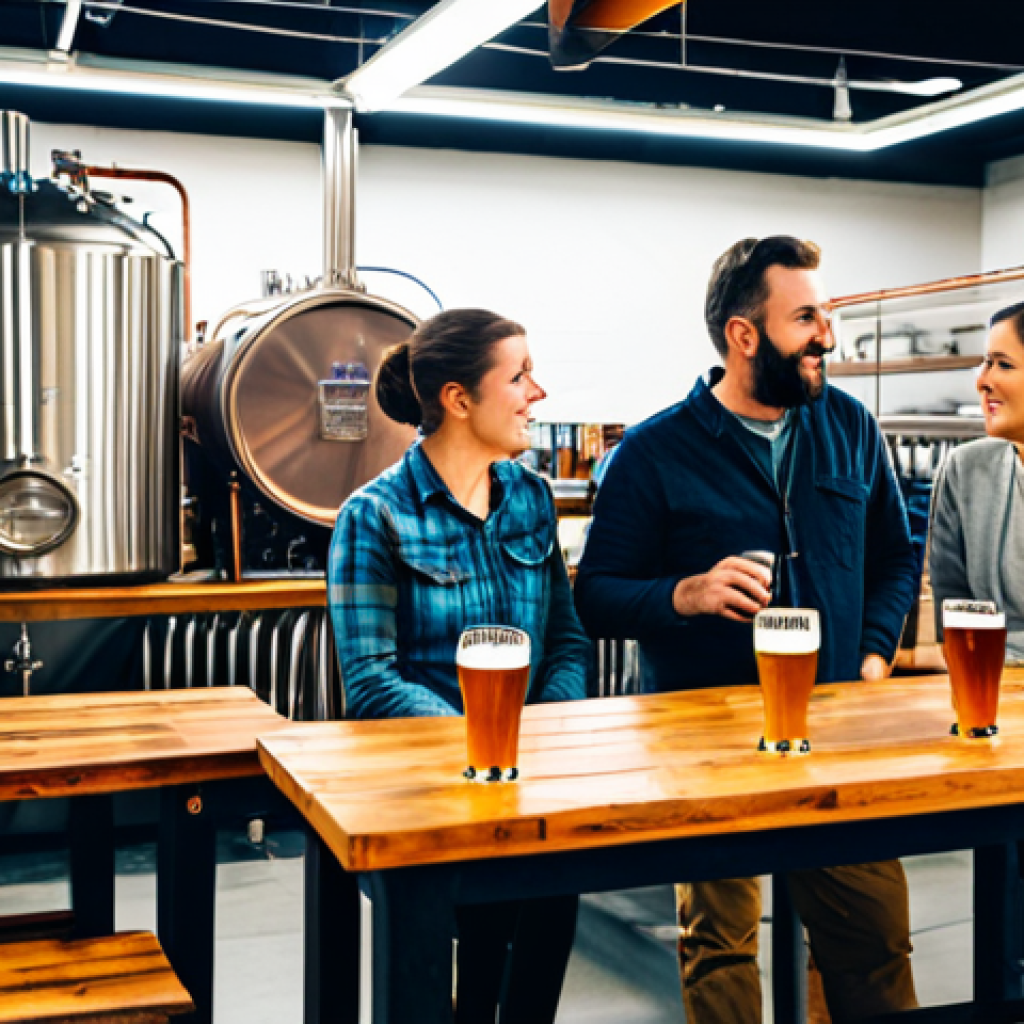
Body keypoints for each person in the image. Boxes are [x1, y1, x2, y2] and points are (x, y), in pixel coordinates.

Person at [574, 236, 920, 1023]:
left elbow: (896, 559)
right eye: (806, 318)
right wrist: (685, 595)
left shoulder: (851, 427)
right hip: (706, 739)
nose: (826, 336)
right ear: (744, 334)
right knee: (721, 946)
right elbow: (596, 597)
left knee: (872, 940)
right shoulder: (652, 453)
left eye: (825, 314)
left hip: (835, 734)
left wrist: (871, 656)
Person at [328, 308, 589, 1024]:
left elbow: (566, 640)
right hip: (431, 805)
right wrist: (485, 747)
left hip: (535, 794)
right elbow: (372, 682)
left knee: (531, 986)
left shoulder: (531, 497)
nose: (537, 392)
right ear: (458, 399)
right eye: (519, 376)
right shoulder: (373, 517)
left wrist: (538, 734)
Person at [930, 300, 1024, 662]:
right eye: (985, 362)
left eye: (1002, 364)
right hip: (984, 690)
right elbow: (951, 604)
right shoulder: (964, 468)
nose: (982, 380)